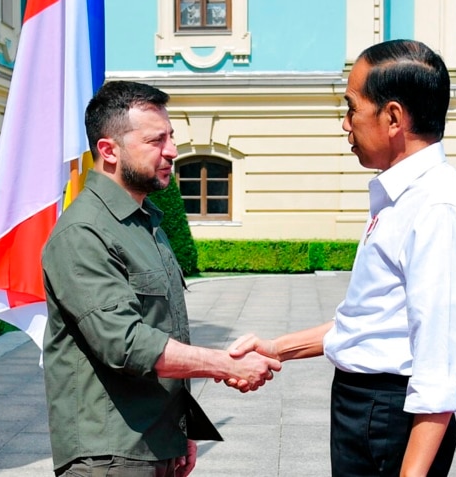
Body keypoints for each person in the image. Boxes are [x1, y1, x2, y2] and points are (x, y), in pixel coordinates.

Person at [226, 39, 456, 477]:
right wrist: (277, 348)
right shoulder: (399, 198)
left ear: (393, 118)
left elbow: (441, 364)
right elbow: (371, 322)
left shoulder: (436, 207)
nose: (345, 124)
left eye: (351, 108)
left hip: (392, 416)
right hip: (366, 409)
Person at [41, 81, 282, 477]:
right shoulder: (83, 232)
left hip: (155, 444)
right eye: (156, 140)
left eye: (171, 137)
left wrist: (183, 427)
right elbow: (127, 343)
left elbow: (167, 330)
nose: (171, 150)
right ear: (108, 150)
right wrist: (225, 364)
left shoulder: (145, 221)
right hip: (111, 456)